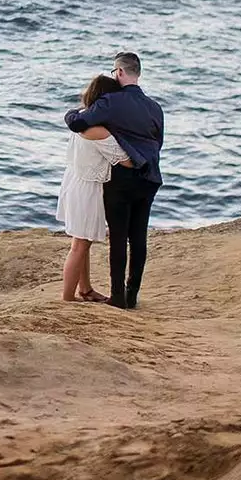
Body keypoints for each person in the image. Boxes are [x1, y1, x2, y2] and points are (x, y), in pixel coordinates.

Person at [64, 51, 164, 310]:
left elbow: (78, 123)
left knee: (119, 237)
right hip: (150, 177)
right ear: (137, 73)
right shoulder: (155, 107)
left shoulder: (111, 102)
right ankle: (132, 295)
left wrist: (71, 113)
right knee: (139, 237)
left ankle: (118, 296)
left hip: (123, 179)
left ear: (119, 72)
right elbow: (158, 142)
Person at [57, 73, 130, 303]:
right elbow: (125, 159)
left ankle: (85, 290)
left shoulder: (80, 118)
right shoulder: (98, 131)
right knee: (79, 246)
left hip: (74, 181)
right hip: (87, 189)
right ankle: (67, 298)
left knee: (81, 242)